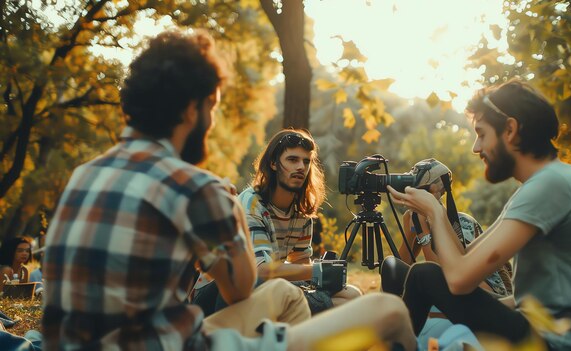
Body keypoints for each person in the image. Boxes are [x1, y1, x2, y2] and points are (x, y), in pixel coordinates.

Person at [42, 28, 416, 351]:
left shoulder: (83, 175)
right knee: (390, 310)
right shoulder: (193, 187)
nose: (211, 121)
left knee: (286, 296)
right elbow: (240, 288)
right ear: (192, 110)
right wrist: (231, 208)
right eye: (212, 108)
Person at [387, 79, 571, 350]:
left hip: (570, 344)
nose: (476, 148)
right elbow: (466, 260)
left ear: (510, 130)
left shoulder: (551, 186)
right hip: (559, 334)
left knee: (423, 276)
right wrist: (435, 212)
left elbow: (458, 280)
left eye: (482, 134)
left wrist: (435, 212)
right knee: (412, 276)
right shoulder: (551, 183)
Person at [380, 159, 512, 350]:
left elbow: (444, 277)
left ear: (434, 190)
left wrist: (424, 231)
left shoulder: (462, 223)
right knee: (390, 265)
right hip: (451, 292)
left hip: (489, 293)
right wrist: (413, 225)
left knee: (423, 276)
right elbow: (401, 267)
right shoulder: (416, 216)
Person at [238, 129, 362, 314]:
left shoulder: (300, 210)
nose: (301, 167)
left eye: (306, 161)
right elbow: (261, 271)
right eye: (292, 160)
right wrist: (320, 271)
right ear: (273, 164)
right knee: (342, 307)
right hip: (235, 290)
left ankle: (307, 319)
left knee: (352, 295)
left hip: (274, 288)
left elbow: (300, 261)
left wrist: (323, 276)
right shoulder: (253, 204)